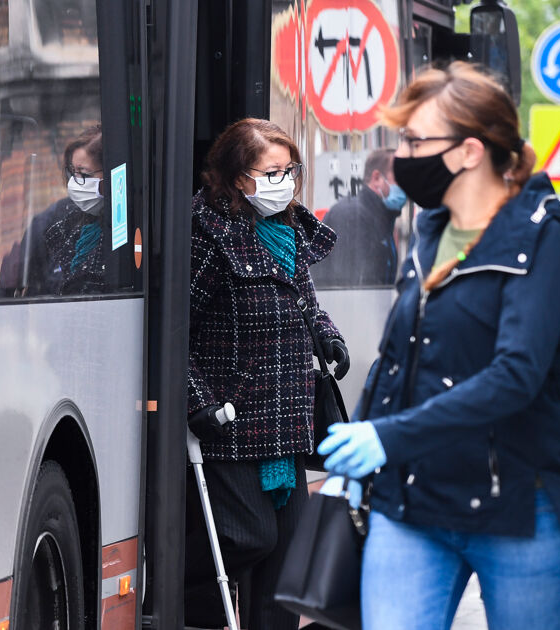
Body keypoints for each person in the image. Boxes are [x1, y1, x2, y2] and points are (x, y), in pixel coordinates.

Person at [318, 62, 560, 629]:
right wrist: (358, 447)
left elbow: (516, 376)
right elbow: (398, 356)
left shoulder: (542, 234)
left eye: (415, 140)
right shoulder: (430, 229)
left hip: (519, 506)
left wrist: (386, 437)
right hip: (413, 498)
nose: (402, 154)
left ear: (469, 151)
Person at [184, 118, 349, 630]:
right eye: (271, 171)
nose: (284, 181)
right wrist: (198, 402)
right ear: (238, 178)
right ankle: (165, 580)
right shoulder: (209, 235)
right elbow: (173, 330)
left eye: (289, 170)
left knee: (288, 563)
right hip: (232, 419)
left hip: (288, 414)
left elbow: (306, 301)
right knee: (248, 537)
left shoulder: (288, 230)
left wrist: (329, 335)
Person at [0, 125, 109, 296]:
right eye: (73, 173)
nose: (75, 183)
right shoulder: (58, 220)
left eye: (85, 175)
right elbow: (13, 278)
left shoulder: (122, 226)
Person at [312, 149, 405, 287]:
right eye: (399, 177)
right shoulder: (352, 216)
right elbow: (350, 285)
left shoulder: (380, 216)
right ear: (377, 178)